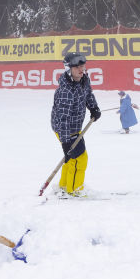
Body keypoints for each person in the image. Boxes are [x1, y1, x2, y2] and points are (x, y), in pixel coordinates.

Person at [51, 52, 101, 195]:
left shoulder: (83, 80)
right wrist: (66, 143)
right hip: (64, 128)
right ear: (69, 69)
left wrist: (93, 107)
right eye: (77, 67)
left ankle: (64, 186)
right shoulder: (65, 91)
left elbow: (88, 95)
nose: (81, 70)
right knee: (78, 159)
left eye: (83, 66)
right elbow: (63, 119)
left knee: (72, 158)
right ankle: (74, 190)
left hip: (74, 127)